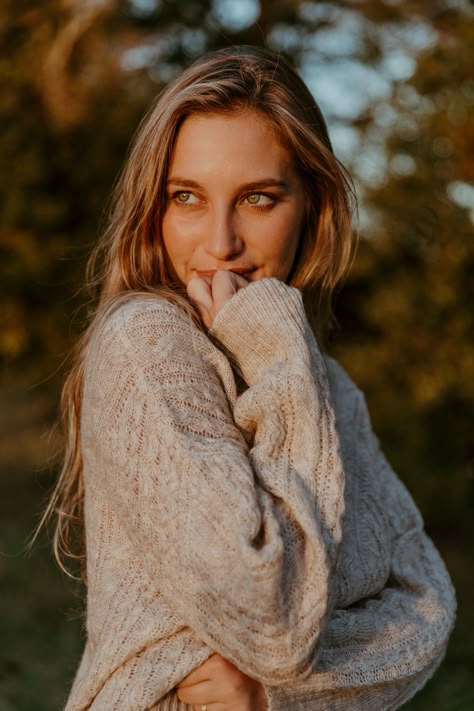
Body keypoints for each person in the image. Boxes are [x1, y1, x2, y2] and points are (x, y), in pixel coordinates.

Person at [43, 45, 456, 710]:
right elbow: (276, 622)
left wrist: (271, 693)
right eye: (188, 197)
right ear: (156, 208)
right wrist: (312, 662)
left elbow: (426, 605)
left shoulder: (325, 386)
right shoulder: (146, 342)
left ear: (312, 206)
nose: (221, 241)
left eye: (258, 198)